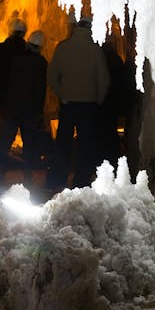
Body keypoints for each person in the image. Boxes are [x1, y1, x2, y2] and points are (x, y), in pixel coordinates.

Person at [45, 16, 109, 190]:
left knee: (62, 143)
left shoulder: (63, 48)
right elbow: (104, 81)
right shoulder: (95, 50)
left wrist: (61, 94)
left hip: (68, 104)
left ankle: (56, 179)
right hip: (88, 105)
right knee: (85, 144)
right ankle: (81, 181)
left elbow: (51, 76)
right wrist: (98, 99)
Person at [0, 30, 50, 185]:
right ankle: (27, 174)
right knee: (29, 143)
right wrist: (39, 112)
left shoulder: (15, 59)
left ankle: (0, 172)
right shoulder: (41, 63)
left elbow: (5, 82)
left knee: (5, 141)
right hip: (29, 110)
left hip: (11, 108)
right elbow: (40, 90)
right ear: (40, 47)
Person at [0, 19, 27, 177]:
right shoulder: (28, 50)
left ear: (10, 31)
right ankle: (28, 174)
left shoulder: (0, 49)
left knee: (4, 137)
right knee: (28, 138)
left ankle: (0, 170)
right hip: (24, 101)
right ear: (23, 33)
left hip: (5, 100)